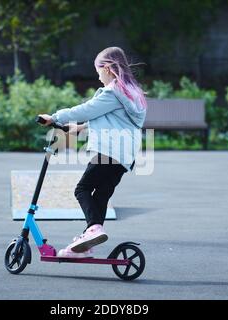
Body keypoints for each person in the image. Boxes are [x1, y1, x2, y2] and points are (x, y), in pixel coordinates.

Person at [38, 47, 147, 258]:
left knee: (82, 189)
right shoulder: (131, 92)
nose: (98, 77)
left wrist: (55, 117)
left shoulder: (112, 91)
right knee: (101, 197)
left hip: (109, 151)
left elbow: (87, 109)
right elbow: (112, 119)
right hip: (125, 156)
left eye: (98, 71)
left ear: (107, 68)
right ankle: (86, 245)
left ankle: (93, 230)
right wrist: (79, 128)